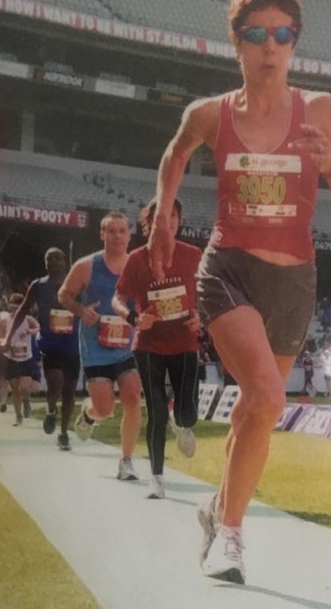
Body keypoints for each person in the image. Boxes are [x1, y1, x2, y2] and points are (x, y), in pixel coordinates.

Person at [147, 0, 331, 583]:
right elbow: (176, 151)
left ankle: (218, 508)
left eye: (283, 34)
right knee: (270, 397)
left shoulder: (318, 109)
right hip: (229, 270)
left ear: (295, 44)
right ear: (237, 43)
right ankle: (231, 539)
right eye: (256, 34)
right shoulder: (211, 114)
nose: (270, 46)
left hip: (293, 280)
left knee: (253, 411)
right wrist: (164, 218)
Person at [112, 198, 202, 499]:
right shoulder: (137, 260)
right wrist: (136, 318)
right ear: (148, 223)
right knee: (157, 413)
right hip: (149, 345)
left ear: (179, 220)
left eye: (173, 216)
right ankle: (157, 478)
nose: (168, 222)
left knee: (187, 413)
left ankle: (184, 422)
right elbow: (117, 300)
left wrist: (200, 316)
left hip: (185, 343)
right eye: (160, 218)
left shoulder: (193, 255)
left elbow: (209, 293)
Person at [58, 211, 142, 479]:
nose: (117, 235)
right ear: (102, 235)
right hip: (95, 349)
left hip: (127, 346)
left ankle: (126, 461)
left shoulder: (137, 266)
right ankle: (89, 414)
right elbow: (64, 294)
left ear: (129, 235)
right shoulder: (87, 266)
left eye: (122, 231)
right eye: (111, 231)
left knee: (132, 398)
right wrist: (82, 310)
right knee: (104, 409)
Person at [4, 248, 80, 450]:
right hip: (51, 343)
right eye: (48, 259)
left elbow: (90, 306)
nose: (53, 262)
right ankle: (51, 409)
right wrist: (9, 336)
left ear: (65, 261)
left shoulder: (76, 283)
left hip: (73, 344)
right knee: (55, 383)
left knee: (70, 390)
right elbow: (21, 311)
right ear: (45, 263)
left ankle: (63, 433)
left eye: (57, 258)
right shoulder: (39, 286)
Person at [0, 293, 39, 426]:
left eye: (18, 305)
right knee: (15, 389)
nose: (15, 308)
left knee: (23, 387)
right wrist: (5, 344)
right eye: (13, 305)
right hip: (11, 358)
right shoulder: (4, 321)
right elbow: (1, 338)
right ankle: (18, 416)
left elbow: (38, 328)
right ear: (9, 306)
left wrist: (28, 332)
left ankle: (27, 400)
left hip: (26, 358)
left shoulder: (28, 319)